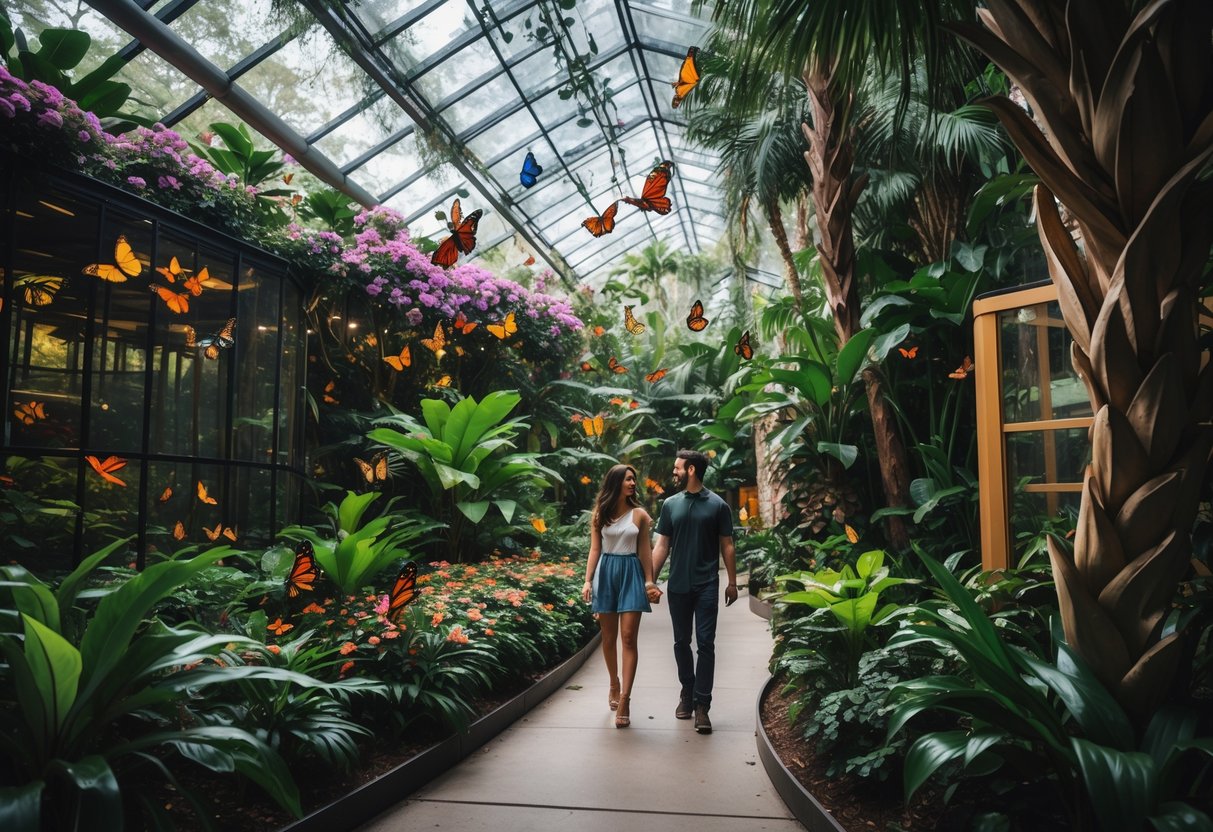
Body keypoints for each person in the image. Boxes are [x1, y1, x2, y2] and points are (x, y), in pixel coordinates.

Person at [651, 449, 737, 734]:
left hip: (707, 585)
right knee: (680, 642)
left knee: (706, 644)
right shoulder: (670, 505)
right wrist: (649, 579)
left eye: (677, 467)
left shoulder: (718, 505)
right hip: (677, 586)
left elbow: (727, 545)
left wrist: (733, 582)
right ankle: (687, 690)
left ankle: (702, 705)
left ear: (691, 470)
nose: (673, 471)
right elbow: (662, 545)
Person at [582, 464, 663, 728]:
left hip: (631, 573)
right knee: (608, 638)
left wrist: (649, 582)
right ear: (616, 483)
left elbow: (645, 551)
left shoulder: (639, 515)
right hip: (606, 573)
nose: (632, 483)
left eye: (633, 480)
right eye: (628, 479)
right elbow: (595, 549)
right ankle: (613, 683)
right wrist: (587, 580)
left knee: (628, 637)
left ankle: (626, 698)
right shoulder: (600, 514)